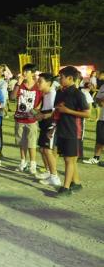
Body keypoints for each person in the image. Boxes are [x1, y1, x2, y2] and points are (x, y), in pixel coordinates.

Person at [52, 66, 90, 196]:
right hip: (62, 129)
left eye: (61, 77)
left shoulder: (78, 94)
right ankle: (76, 182)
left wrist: (68, 111)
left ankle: (66, 188)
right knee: (68, 159)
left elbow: (87, 113)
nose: (59, 79)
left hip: (73, 131)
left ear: (70, 78)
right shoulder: (60, 92)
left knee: (70, 160)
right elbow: (56, 110)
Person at [13, 63, 42, 174]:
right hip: (20, 118)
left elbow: (42, 100)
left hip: (31, 120)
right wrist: (18, 84)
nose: (24, 73)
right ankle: (23, 162)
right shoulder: (20, 85)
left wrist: (35, 111)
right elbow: (12, 97)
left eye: (27, 71)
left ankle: (33, 164)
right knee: (21, 142)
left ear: (33, 73)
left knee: (32, 142)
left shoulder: (38, 86)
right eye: (23, 71)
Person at [34, 73, 60, 186]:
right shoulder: (46, 94)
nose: (38, 83)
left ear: (48, 83)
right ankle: (49, 172)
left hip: (51, 125)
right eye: (38, 81)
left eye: (40, 81)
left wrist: (43, 116)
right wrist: (36, 113)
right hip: (44, 124)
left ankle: (55, 177)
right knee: (43, 150)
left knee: (48, 150)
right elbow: (45, 110)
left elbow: (55, 111)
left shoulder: (53, 93)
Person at [83, 81, 104, 165]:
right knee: (100, 139)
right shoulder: (103, 86)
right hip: (102, 118)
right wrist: (101, 100)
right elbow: (98, 100)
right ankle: (96, 158)